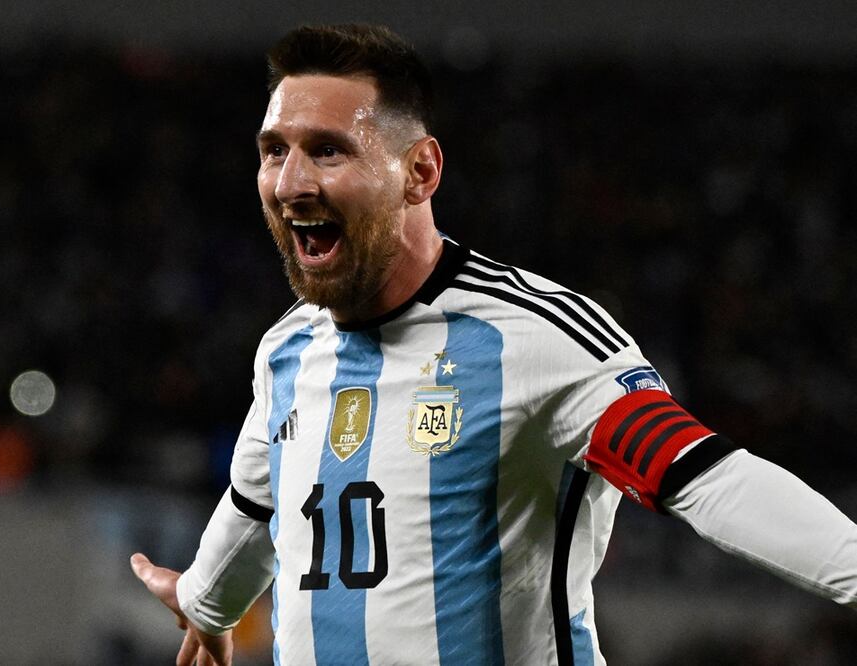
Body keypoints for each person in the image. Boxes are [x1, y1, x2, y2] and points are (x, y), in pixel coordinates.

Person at [131, 23, 857, 665]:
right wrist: (205, 602)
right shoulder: (286, 350)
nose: (289, 182)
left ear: (419, 172)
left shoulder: (535, 340)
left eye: (326, 151)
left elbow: (702, 476)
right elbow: (259, 507)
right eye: (273, 150)